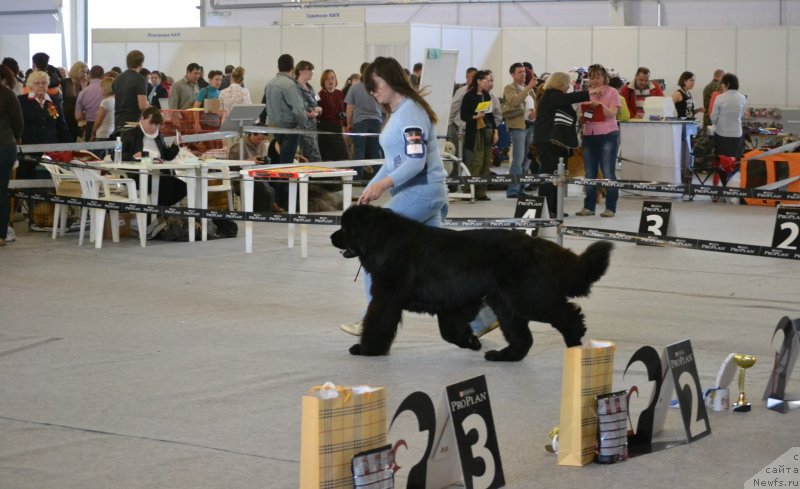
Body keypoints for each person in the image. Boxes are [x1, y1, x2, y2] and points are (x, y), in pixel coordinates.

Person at [340, 56, 449, 336]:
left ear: (388, 81)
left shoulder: (410, 112)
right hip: (423, 192)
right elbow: (393, 162)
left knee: (373, 249)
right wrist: (372, 187)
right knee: (442, 264)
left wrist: (382, 184)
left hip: (421, 191)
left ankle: (372, 323)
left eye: (374, 86)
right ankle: (479, 318)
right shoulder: (400, 112)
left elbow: (415, 162)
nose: (372, 92)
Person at [533, 72, 596, 218]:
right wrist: (590, 92)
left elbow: (566, 115)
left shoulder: (557, 99)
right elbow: (569, 98)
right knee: (549, 176)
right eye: (568, 83)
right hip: (548, 142)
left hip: (558, 143)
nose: (569, 86)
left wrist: (583, 118)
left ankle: (555, 207)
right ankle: (547, 210)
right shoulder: (551, 95)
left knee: (558, 177)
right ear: (560, 83)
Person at [575, 64, 620, 218]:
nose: (595, 80)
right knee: (590, 173)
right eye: (592, 77)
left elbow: (612, 113)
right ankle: (589, 207)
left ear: (604, 78)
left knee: (608, 171)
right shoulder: (586, 94)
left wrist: (600, 105)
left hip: (608, 135)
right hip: (589, 135)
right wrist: (583, 116)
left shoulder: (613, 92)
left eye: (598, 77)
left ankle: (610, 207)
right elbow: (584, 118)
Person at [120, 107, 186, 207]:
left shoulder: (158, 135)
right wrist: (133, 156)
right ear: (142, 119)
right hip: (137, 175)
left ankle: (156, 216)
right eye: (151, 123)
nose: (153, 127)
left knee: (183, 187)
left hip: (158, 173)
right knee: (166, 185)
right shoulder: (129, 134)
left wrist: (175, 144)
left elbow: (166, 156)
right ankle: (154, 217)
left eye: (156, 125)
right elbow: (116, 155)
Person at [17, 71, 70, 180]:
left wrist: (69, 146)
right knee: (28, 180)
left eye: (44, 83)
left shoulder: (53, 101)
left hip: (52, 149)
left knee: (51, 180)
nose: (41, 85)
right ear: (31, 85)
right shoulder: (21, 101)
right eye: (37, 83)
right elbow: (17, 124)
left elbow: (61, 124)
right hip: (29, 149)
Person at [460, 70, 497, 201]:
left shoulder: (487, 96)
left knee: (487, 162)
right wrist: (475, 116)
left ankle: (482, 191)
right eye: (486, 80)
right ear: (478, 81)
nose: (489, 83)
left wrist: (495, 130)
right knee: (476, 161)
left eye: (490, 80)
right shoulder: (469, 96)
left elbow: (491, 114)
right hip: (474, 132)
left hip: (487, 130)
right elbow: (463, 115)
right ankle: (469, 190)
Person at [503, 62, 538, 198]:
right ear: (512, 74)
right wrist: (528, 87)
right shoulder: (509, 88)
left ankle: (521, 188)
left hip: (531, 126)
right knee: (518, 160)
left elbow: (533, 105)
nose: (523, 74)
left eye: (524, 71)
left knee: (527, 160)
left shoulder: (528, 89)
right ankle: (513, 190)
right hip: (518, 127)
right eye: (519, 72)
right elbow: (514, 102)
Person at [264, 54, 307, 164]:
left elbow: (265, 106)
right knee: (287, 164)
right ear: (293, 68)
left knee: (277, 161)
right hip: (289, 129)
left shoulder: (269, 84)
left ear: (278, 66)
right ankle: (286, 181)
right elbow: (298, 110)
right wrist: (303, 125)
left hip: (274, 129)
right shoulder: (290, 85)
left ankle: (279, 181)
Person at [345, 62, 383, 179]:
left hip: (360, 122)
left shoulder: (354, 87)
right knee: (376, 151)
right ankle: (379, 178)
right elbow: (384, 105)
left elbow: (349, 108)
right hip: (376, 121)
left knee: (359, 151)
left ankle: (357, 178)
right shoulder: (377, 86)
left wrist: (349, 123)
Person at [0, 65, 23, 246]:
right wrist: (16, 137)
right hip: (5, 145)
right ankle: (1, 235)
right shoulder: (8, 95)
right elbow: (18, 122)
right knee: (1, 191)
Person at [227, 131, 278, 213]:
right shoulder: (238, 146)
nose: (261, 141)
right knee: (263, 188)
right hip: (241, 180)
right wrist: (248, 161)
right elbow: (231, 167)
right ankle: (264, 213)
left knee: (272, 187)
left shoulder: (262, 145)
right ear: (251, 134)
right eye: (259, 139)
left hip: (259, 177)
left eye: (263, 139)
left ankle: (268, 209)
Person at [710, 73, 746, 159]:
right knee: (735, 160)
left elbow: (714, 117)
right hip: (737, 134)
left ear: (727, 84)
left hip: (722, 133)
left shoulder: (719, 98)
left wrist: (715, 123)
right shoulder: (742, 98)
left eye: (722, 83)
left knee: (722, 160)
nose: (721, 86)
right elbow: (741, 115)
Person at [112, 50, 148, 134]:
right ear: (141, 63)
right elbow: (142, 106)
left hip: (118, 121)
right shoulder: (140, 79)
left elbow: (116, 99)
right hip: (132, 123)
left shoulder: (117, 78)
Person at [317, 69, 349, 161]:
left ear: (336, 80)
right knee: (327, 156)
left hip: (337, 128)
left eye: (332, 78)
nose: (330, 81)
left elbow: (343, 111)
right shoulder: (319, 94)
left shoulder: (340, 93)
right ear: (323, 81)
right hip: (324, 129)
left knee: (343, 156)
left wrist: (344, 125)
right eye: (327, 79)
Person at [294, 61, 322, 162]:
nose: (311, 72)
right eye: (308, 70)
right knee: (312, 157)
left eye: (312, 70)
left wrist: (317, 111)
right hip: (302, 127)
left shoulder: (310, 88)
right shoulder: (295, 87)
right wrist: (316, 110)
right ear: (300, 71)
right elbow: (303, 108)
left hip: (312, 128)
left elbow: (318, 105)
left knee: (314, 156)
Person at [447, 67, 477, 157]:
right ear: (466, 77)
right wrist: (448, 124)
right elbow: (453, 108)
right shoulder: (461, 91)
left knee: (469, 155)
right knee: (457, 155)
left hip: (472, 128)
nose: (472, 79)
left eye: (475, 77)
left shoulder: (480, 92)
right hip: (458, 127)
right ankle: (456, 171)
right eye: (470, 77)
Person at [74, 65, 105, 141]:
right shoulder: (109, 91)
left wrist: (88, 113)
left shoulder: (83, 92)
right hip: (107, 125)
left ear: (90, 75)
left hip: (90, 126)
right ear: (103, 76)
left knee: (91, 152)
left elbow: (78, 117)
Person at [60, 61, 89, 141]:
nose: (85, 74)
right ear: (76, 70)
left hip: (79, 117)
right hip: (65, 115)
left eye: (86, 72)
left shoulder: (86, 84)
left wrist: (84, 88)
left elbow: (86, 101)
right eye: (83, 71)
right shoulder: (63, 82)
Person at [89, 77, 116, 142]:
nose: (100, 89)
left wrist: (93, 132)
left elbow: (98, 122)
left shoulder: (105, 102)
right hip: (112, 132)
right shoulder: (115, 100)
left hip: (102, 134)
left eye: (101, 86)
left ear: (105, 88)